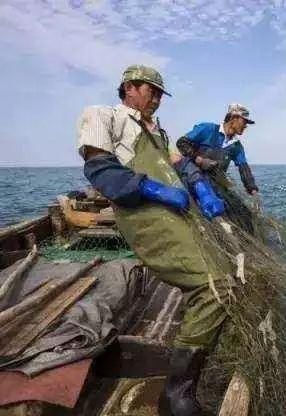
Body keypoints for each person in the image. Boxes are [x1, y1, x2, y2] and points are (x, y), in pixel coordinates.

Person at [77, 64, 230, 415]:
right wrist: (150, 187)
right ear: (129, 87)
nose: (158, 98)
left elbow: (182, 165)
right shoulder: (103, 115)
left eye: (161, 93)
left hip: (178, 210)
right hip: (143, 212)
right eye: (152, 90)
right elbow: (100, 170)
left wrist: (201, 189)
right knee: (213, 284)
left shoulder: (157, 130)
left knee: (224, 273)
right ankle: (176, 396)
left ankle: (188, 370)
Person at [176, 104, 260, 201]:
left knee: (236, 206)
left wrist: (253, 191)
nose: (245, 126)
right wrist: (199, 160)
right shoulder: (208, 129)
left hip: (214, 182)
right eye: (244, 121)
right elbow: (181, 142)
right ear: (234, 118)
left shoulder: (237, 146)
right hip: (193, 177)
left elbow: (244, 169)